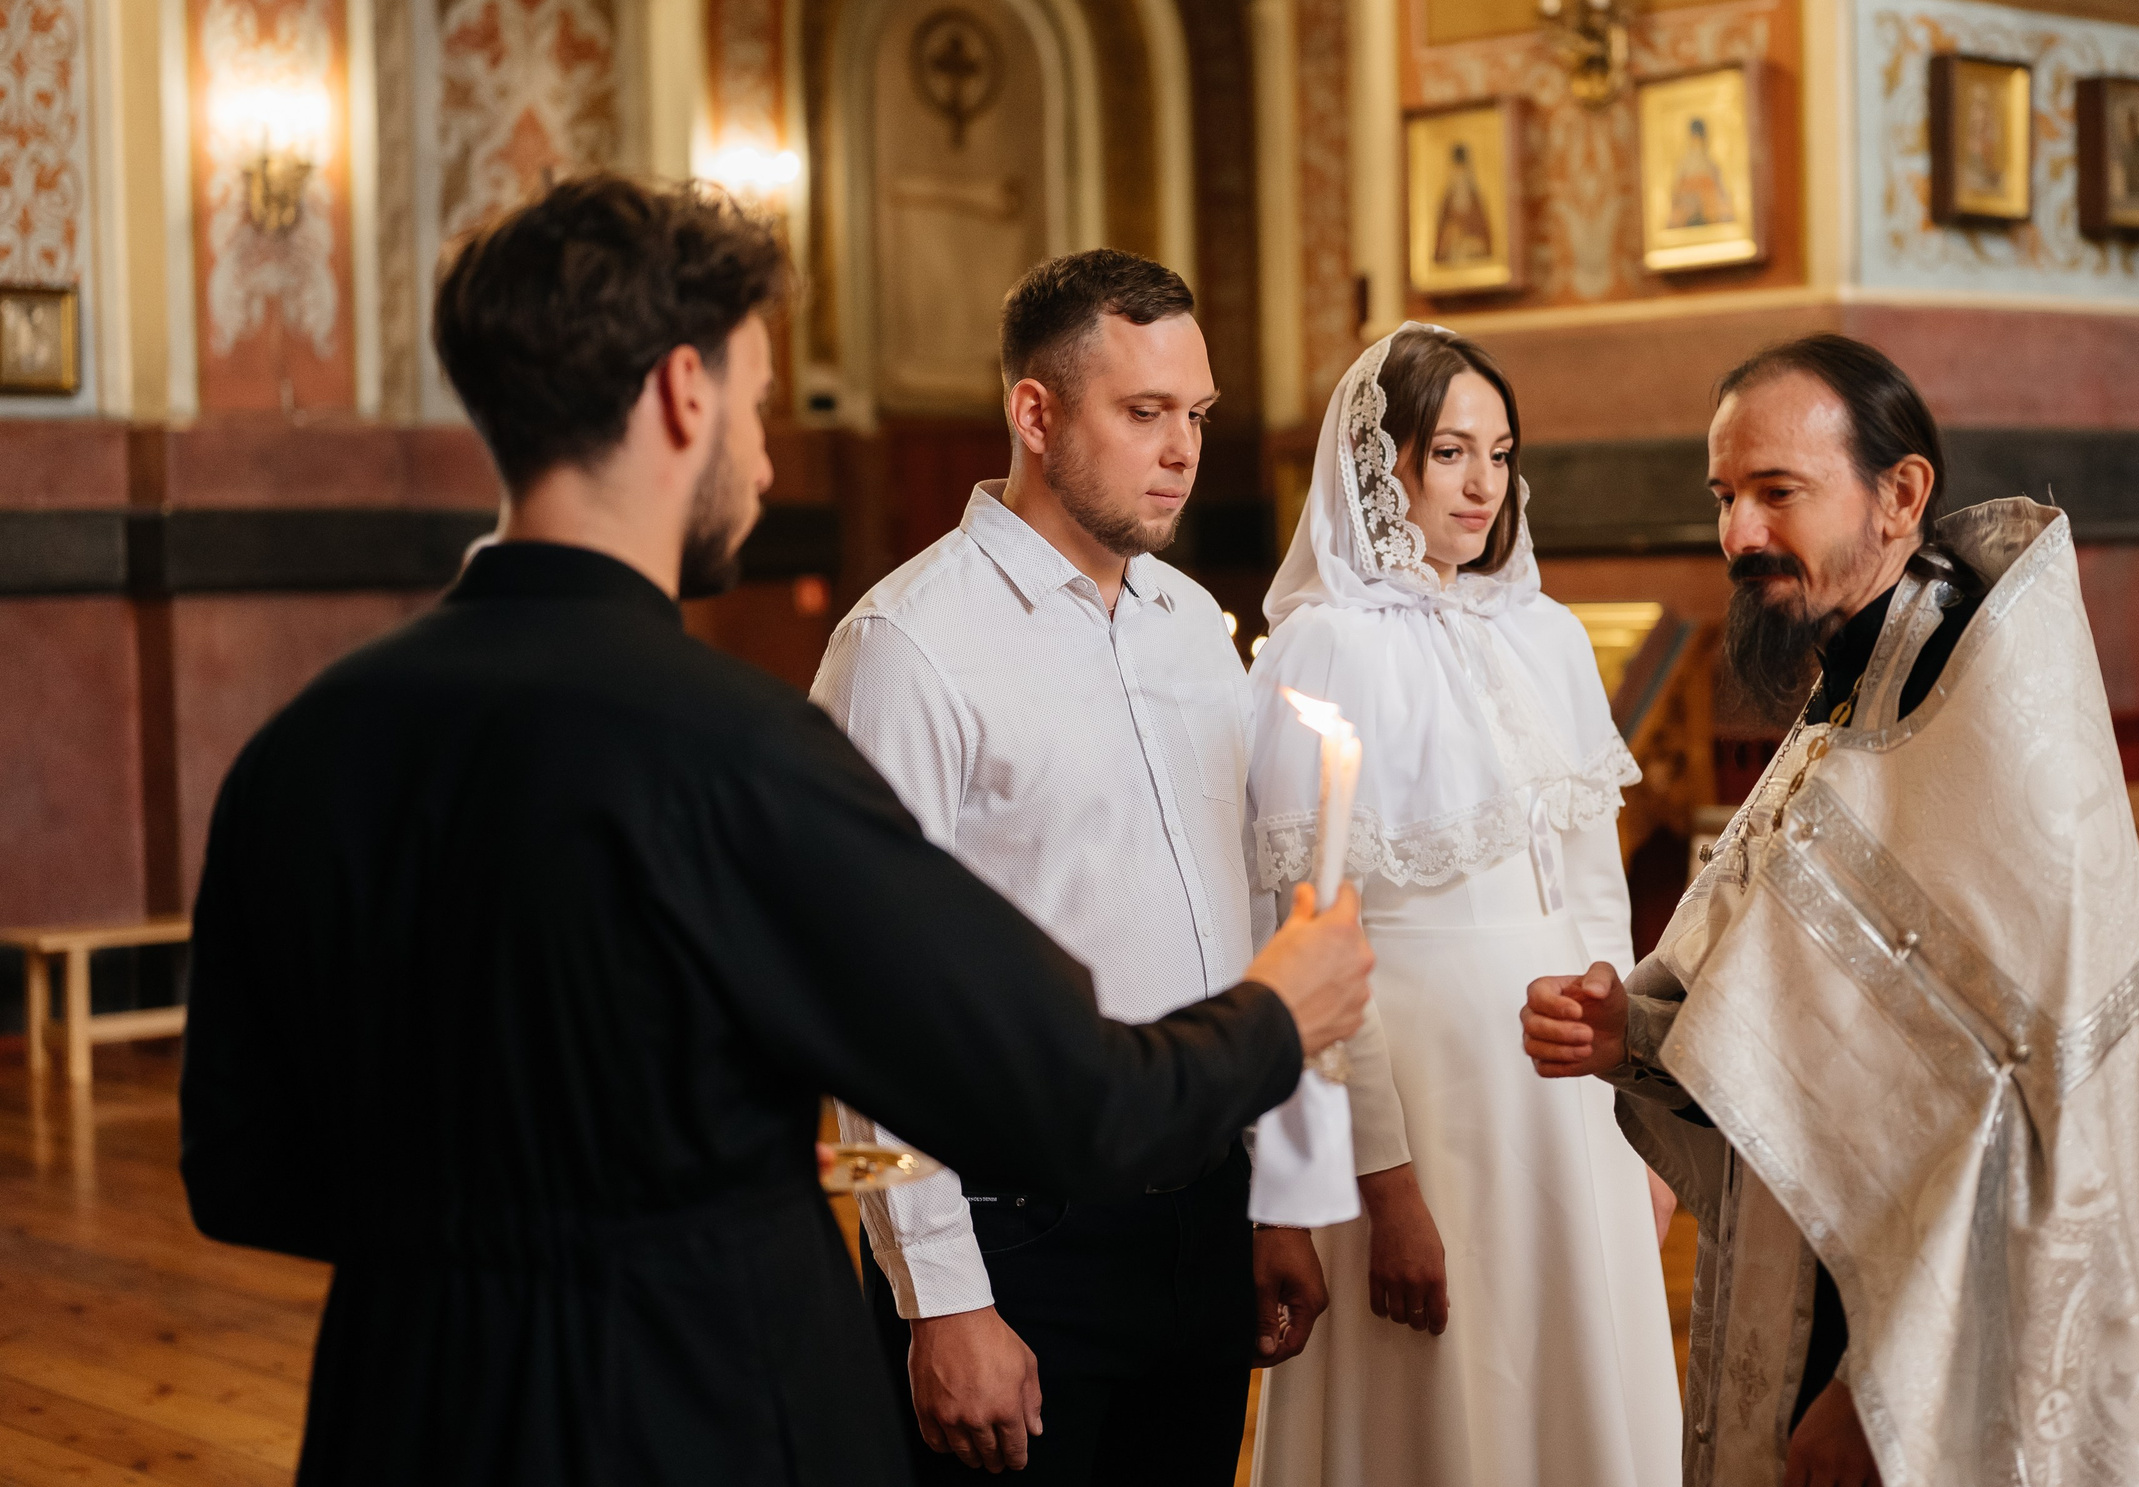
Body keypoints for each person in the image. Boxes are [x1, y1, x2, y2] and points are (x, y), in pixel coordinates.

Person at [178, 174, 1374, 1487]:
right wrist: (1279, 1011)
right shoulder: (744, 750)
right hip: (689, 1393)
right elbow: (1067, 1091)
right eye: (753, 400)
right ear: (682, 395)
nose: (761, 454)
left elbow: (241, 1174)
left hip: (402, 1403)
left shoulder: (301, 746)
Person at [1521, 335, 2139, 1487]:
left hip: (1927, 1349)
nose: (1738, 533)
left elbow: (2022, 1103)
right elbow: (1817, 1010)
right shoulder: (1860, 676)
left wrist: (1870, 1384)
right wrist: (1632, 1032)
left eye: (1776, 492)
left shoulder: (1977, 710)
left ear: (1899, 495)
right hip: (1823, 1275)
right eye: (1724, 496)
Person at [811, 248, 1336, 1485]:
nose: (1183, 447)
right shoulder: (906, 646)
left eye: (1196, 414)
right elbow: (864, 1009)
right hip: (1014, 1239)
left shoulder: (1195, 630)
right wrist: (941, 1296)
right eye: (1143, 411)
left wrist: (1275, 1195)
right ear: (1034, 413)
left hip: (1202, 1218)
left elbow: (1249, 924)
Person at [1246, 324, 1683, 1487]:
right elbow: (1309, 937)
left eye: (1499, 451)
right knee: (1441, 1405)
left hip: (1566, 1082)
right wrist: (1384, 1183)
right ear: (1381, 462)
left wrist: (1639, 1110)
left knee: (1576, 1389)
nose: (1484, 482)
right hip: (1421, 1090)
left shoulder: (1545, 635)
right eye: (1450, 451)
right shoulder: (1320, 651)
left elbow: (1597, 896)